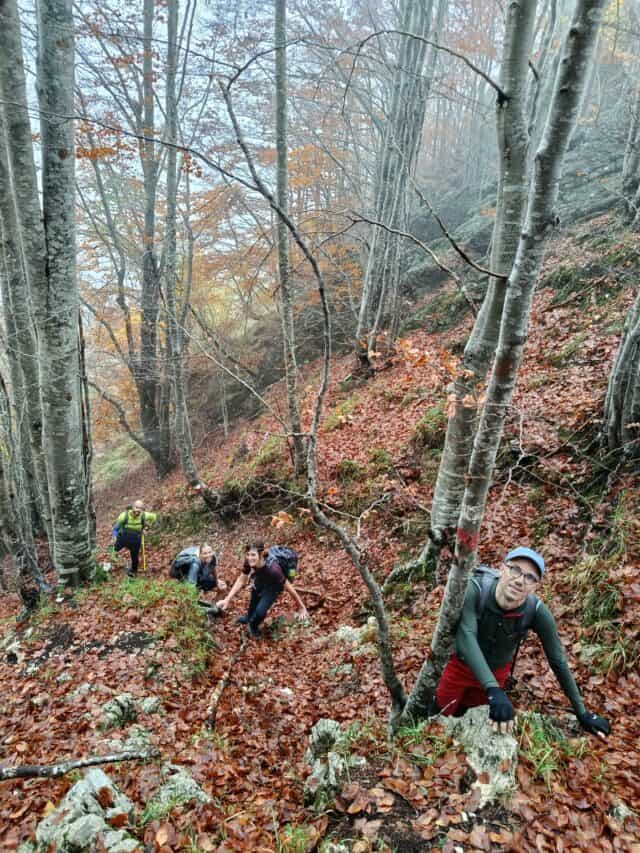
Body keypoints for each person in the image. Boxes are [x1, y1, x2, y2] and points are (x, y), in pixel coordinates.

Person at [435, 546, 611, 739]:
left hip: (497, 672)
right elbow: (466, 635)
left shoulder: (537, 612)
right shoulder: (473, 590)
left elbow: (558, 660)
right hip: (460, 667)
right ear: (502, 569)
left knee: (478, 725)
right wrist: (493, 690)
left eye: (530, 577)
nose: (520, 580)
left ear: (535, 586)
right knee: (439, 718)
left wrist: (582, 712)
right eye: (515, 569)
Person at [218, 541, 309, 638]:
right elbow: (241, 580)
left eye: (253, 555)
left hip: (274, 585)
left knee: (260, 612)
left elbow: (289, 588)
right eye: (248, 554)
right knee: (253, 601)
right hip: (261, 577)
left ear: (261, 554)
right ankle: (248, 618)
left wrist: (301, 607)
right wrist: (227, 599)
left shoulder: (274, 569)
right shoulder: (249, 561)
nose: (249, 558)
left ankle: (253, 626)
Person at [112, 500, 157, 578]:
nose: (138, 510)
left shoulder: (144, 515)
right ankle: (109, 565)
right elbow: (115, 529)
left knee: (135, 557)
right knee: (113, 551)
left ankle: (133, 572)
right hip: (123, 537)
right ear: (133, 507)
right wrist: (114, 536)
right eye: (136, 507)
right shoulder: (123, 516)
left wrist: (146, 528)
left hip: (136, 539)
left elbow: (154, 517)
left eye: (140, 508)